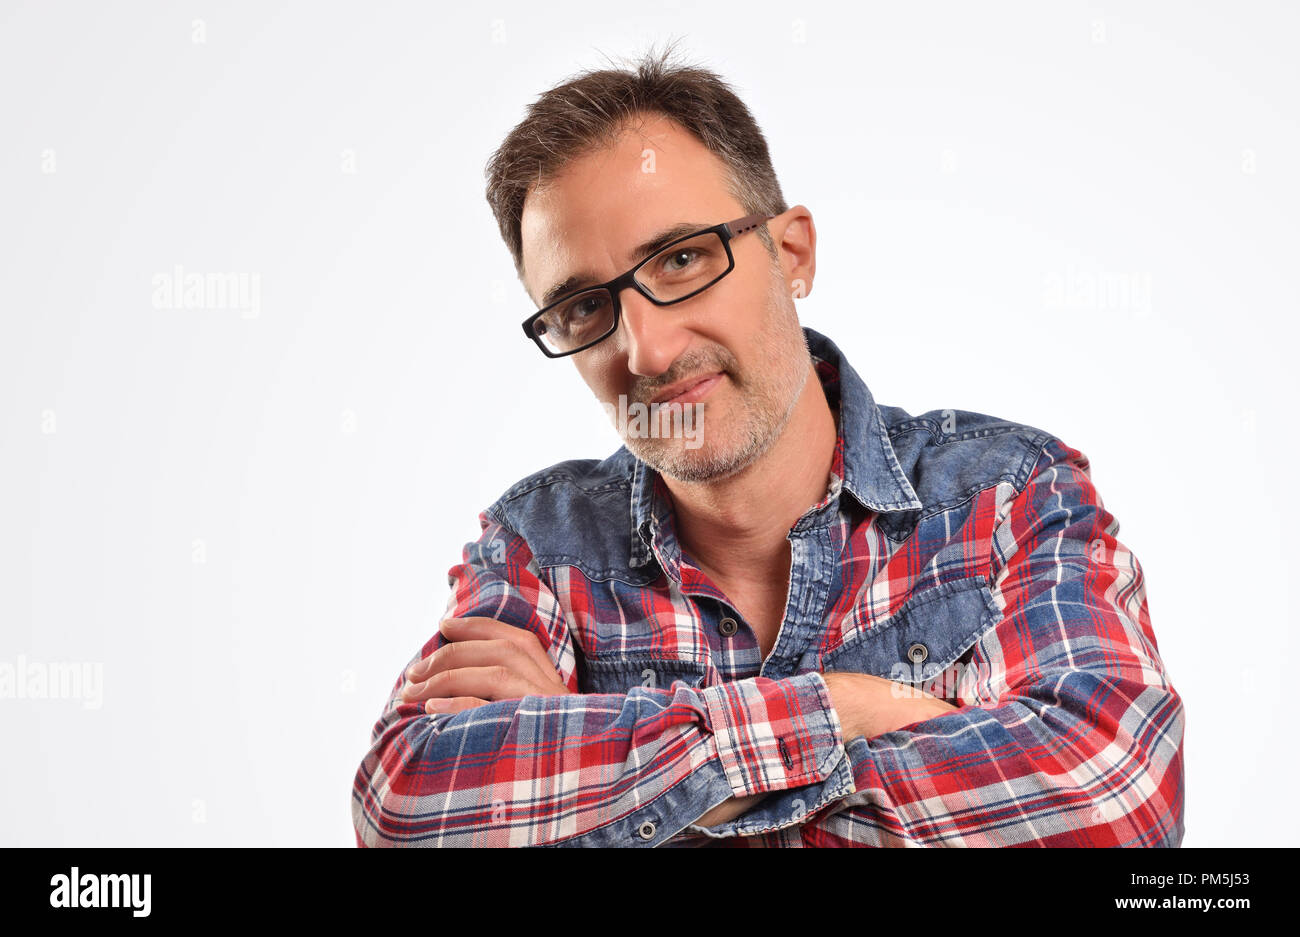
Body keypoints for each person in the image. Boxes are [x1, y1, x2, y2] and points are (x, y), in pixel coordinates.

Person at [351, 45, 1185, 847]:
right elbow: (407, 809)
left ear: (791, 254)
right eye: (582, 309)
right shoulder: (540, 547)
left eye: (680, 259)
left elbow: (1111, 798)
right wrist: (848, 708)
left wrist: (597, 774)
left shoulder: (1005, 493)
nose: (646, 350)